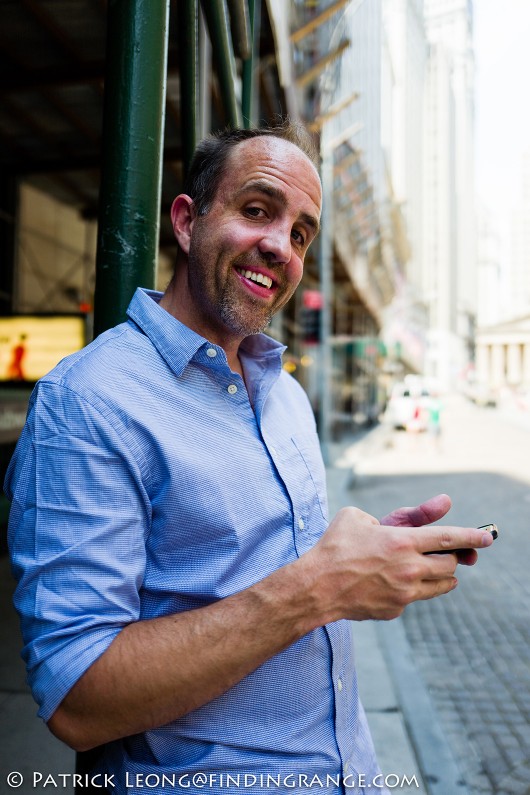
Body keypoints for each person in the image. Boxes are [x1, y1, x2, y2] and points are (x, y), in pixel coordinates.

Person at [5, 122, 493, 795]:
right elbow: (78, 697)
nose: (280, 247)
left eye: (300, 233)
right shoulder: (89, 401)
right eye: (257, 209)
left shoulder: (286, 393)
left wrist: (365, 556)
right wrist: (322, 584)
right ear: (186, 220)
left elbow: (255, 563)